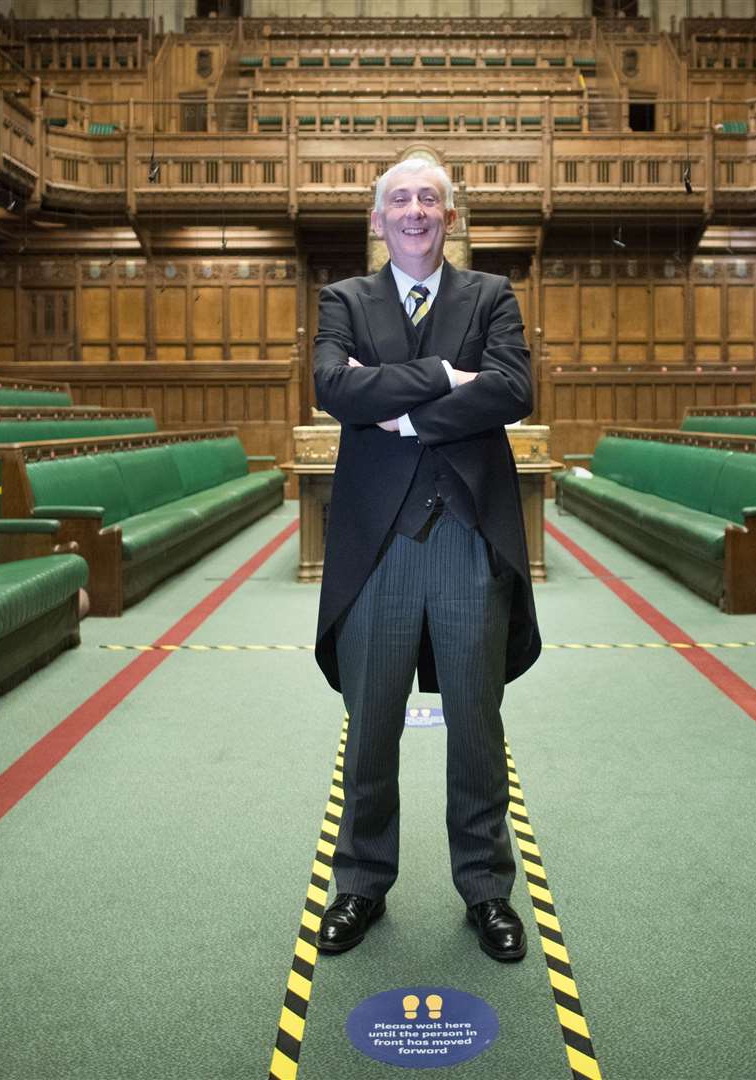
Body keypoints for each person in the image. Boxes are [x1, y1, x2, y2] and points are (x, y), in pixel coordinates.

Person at [310, 157, 541, 961]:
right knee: (370, 727)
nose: (414, 211)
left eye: (429, 200)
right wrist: (443, 376)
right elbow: (333, 389)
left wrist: (404, 417)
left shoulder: (491, 296)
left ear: (451, 217)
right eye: (398, 200)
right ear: (378, 221)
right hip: (376, 548)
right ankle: (361, 885)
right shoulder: (344, 299)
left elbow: (514, 389)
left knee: (476, 725)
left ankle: (487, 890)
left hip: (469, 541)